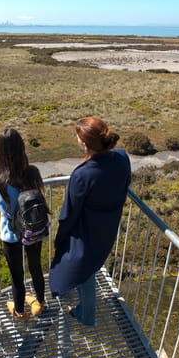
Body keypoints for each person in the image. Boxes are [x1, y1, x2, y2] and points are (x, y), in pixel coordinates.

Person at [50, 117, 131, 326]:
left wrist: (60, 239)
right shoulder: (122, 158)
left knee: (76, 267)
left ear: (84, 143)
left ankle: (86, 315)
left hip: (86, 232)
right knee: (90, 267)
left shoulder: (82, 175)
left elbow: (69, 214)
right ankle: (85, 312)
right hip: (108, 228)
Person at [0, 128, 46, 322]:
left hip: (11, 232)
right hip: (33, 228)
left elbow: (1, 205)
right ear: (21, 147)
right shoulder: (32, 172)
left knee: (17, 275)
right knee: (35, 267)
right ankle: (40, 302)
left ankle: (20, 312)